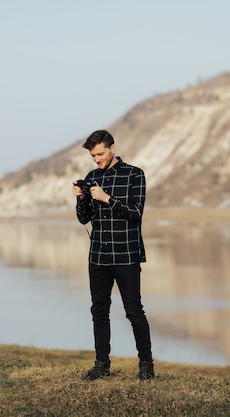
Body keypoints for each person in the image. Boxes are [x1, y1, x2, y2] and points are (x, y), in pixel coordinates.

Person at [72, 129, 154, 381]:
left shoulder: (134, 174)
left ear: (112, 148)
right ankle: (101, 365)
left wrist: (107, 198)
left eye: (99, 154)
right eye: (93, 156)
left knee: (133, 311)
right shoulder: (92, 176)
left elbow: (136, 213)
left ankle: (146, 366)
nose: (96, 160)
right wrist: (81, 198)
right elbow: (84, 218)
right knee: (99, 310)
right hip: (98, 255)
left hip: (127, 254)